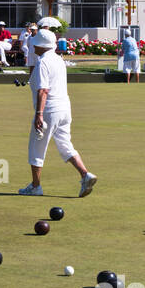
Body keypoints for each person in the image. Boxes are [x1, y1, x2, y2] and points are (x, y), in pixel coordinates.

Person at [18, 29, 97, 197]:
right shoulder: (59, 60)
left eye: (36, 44)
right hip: (64, 109)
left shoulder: (42, 63)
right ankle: (85, 174)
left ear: (40, 45)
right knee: (65, 145)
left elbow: (43, 90)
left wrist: (39, 114)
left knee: (36, 148)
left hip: (49, 111)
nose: (34, 47)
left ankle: (35, 186)